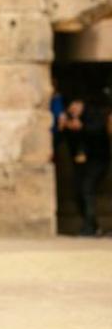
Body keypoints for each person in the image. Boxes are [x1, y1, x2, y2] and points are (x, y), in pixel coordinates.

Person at [59, 98, 111, 236]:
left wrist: (82, 127)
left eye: (76, 105)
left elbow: (98, 132)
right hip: (80, 162)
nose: (73, 109)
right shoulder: (69, 117)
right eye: (71, 106)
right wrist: (64, 127)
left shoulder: (94, 115)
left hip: (97, 160)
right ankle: (92, 225)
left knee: (87, 188)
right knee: (78, 191)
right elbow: (64, 139)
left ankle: (89, 227)